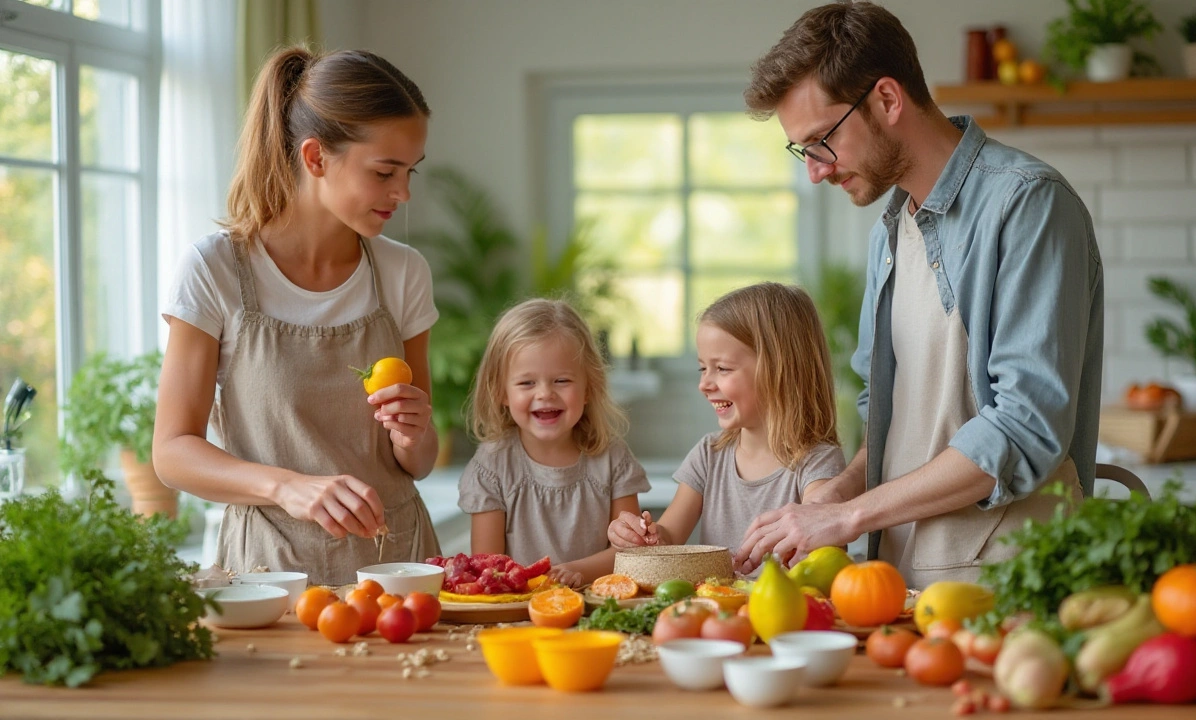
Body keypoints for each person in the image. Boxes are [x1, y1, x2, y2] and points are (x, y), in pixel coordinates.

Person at [733, 2, 1103, 587]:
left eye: (821, 141)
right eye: (802, 150)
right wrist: (843, 486)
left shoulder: (1026, 204)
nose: (816, 171)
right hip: (898, 581)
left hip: (1009, 584)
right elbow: (891, 412)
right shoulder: (892, 228)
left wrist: (848, 514)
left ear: (886, 99)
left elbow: (1024, 425)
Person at [153, 47, 442, 586]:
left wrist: (413, 432)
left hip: (399, 569)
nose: (402, 193)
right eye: (384, 172)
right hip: (267, 572)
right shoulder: (215, 269)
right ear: (315, 158)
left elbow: (418, 462)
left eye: (409, 173)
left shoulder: (404, 272)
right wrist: (288, 486)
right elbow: (172, 453)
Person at [608, 283, 847, 561]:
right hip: (716, 604)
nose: (704, 384)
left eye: (721, 368)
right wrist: (643, 536)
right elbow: (669, 537)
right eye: (703, 368)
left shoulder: (818, 463)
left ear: (779, 370)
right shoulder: (709, 455)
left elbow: (826, 553)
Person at [459, 298, 651, 587]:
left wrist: (577, 571)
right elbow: (490, 567)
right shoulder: (491, 466)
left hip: (599, 609)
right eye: (527, 383)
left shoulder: (612, 459)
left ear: (590, 388)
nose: (545, 394)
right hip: (518, 615)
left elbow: (630, 552)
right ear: (501, 392)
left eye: (561, 381)